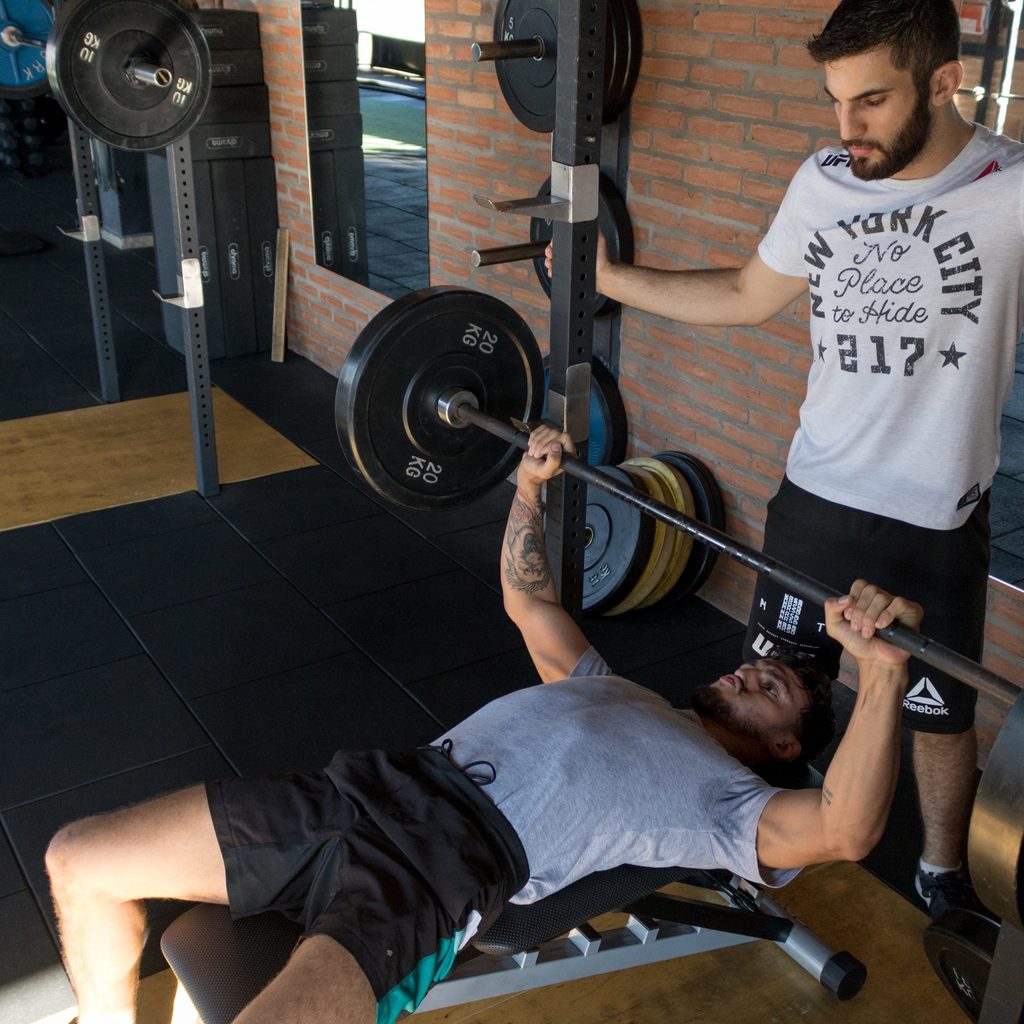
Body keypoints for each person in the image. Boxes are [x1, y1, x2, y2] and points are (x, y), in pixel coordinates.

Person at [45, 425, 922, 1024]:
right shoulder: (609, 687)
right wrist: (530, 489)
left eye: (771, 691)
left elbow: (846, 828)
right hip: (359, 789)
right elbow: (527, 598)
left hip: (439, 869)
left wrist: (881, 674)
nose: (746, 669)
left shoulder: (730, 807)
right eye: (754, 663)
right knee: (78, 858)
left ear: (782, 750)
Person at [546, 0, 1020, 917]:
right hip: (812, 502)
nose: (847, 129)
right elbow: (746, 293)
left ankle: (943, 874)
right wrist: (608, 280)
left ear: (944, 82)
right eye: (836, 102)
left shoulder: (1012, 188)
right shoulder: (824, 178)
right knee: (768, 696)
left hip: (934, 523)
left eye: (872, 102)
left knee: (938, 716)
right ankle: (745, 836)